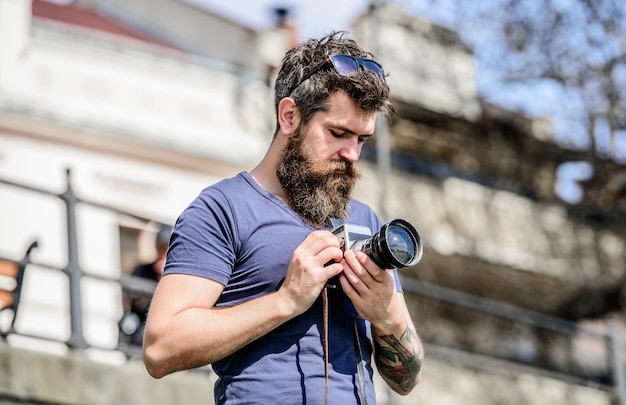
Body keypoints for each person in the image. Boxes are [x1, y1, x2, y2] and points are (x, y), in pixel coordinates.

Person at [143, 31, 423, 404]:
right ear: (289, 116)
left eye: (361, 139)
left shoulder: (367, 222)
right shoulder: (223, 208)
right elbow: (160, 348)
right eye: (338, 133)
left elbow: (407, 379)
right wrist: (286, 300)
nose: (352, 153)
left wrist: (387, 316)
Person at [119, 226, 171, 346]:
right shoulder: (142, 269)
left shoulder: (175, 271)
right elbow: (128, 295)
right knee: (127, 325)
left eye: (165, 246)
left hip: (164, 320)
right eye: (160, 246)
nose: (162, 250)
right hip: (141, 319)